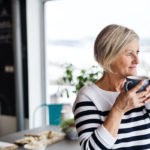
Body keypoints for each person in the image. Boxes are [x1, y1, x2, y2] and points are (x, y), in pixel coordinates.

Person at [73, 24, 150, 149]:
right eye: (129, 54)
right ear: (109, 57)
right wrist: (118, 109)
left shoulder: (142, 89)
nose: (137, 60)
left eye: (137, 52)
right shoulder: (89, 97)